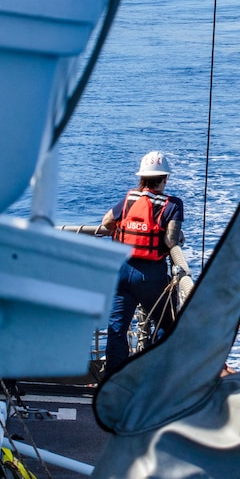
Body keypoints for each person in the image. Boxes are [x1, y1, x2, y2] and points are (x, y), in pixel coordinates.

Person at [100, 151, 185, 374]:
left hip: (121, 271)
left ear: (142, 178)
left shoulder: (130, 199)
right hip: (150, 276)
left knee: (117, 329)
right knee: (167, 323)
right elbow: (170, 240)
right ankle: (157, 374)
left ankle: (114, 380)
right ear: (164, 178)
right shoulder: (172, 205)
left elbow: (107, 221)